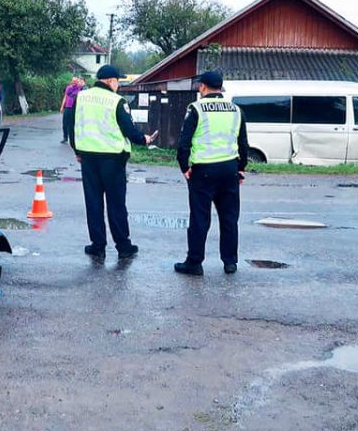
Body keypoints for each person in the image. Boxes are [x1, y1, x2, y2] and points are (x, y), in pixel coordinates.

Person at [71, 65, 156, 259]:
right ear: (110, 81)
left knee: (93, 202)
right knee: (116, 203)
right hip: (112, 159)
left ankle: (97, 246)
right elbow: (128, 128)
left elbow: (72, 124)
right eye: (118, 80)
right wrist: (144, 139)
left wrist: (77, 150)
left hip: (88, 157)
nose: (118, 84)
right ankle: (123, 246)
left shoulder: (81, 97)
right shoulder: (117, 101)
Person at [174, 70, 249, 276]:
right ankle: (230, 262)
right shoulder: (236, 110)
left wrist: (184, 167)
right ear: (221, 88)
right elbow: (243, 143)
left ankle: (195, 263)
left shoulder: (196, 109)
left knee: (200, 218)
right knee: (229, 218)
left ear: (203, 87)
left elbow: (184, 143)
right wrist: (241, 167)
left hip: (204, 171)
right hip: (229, 170)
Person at [59, 76, 83, 144]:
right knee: (65, 123)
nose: (74, 82)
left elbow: (83, 85)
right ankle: (65, 137)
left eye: (76, 81)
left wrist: (80, 84)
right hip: (68, 106)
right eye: (73, 81)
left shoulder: (80, 88)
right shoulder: (68, 87)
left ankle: (74, 138)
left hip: (75, 107)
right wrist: (62, 106)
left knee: (73, 123)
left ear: (78, 82)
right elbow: (65, 97)